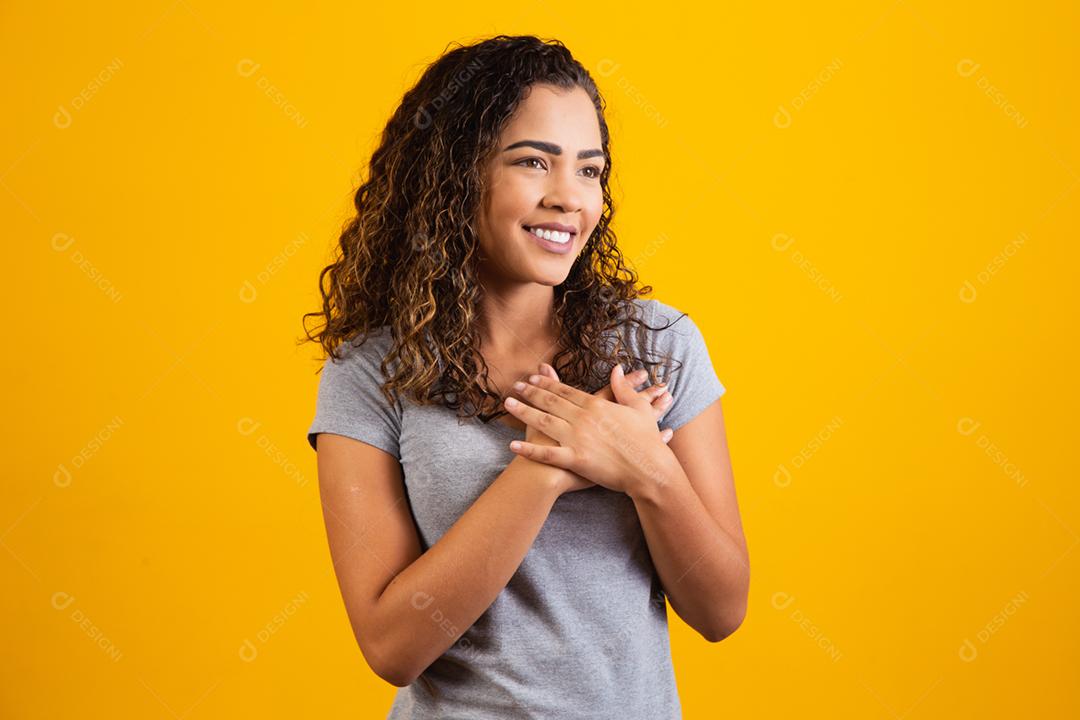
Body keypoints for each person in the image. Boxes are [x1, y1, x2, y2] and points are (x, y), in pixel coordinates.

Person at [302, 34, 749, 719]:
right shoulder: (369, 372)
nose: (569, 198)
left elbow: (722, 609)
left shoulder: (658, 345)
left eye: (589, 170)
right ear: (455, 176)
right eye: (534, 162)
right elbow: (392, 646)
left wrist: (647, 471)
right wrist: (546, 467)